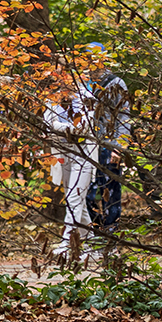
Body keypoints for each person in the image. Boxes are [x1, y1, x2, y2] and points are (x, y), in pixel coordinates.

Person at [44, 79, 97, 257]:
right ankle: (90, 244)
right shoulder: (52, 99)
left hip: (84, 153)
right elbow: (48, 126)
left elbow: (83, 128)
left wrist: (59, 128)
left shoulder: (87, 98)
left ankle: (67, 242)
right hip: (63, 153)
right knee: (75, 200)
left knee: (74, 197)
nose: (63, 80)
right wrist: (67, 129)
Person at [84, 44, 130, 233]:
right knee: (88, 191)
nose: (90, 61)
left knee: (110, 189)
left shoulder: (115, 83)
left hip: (108, 144)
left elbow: (123, 117)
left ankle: (110, 230)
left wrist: (119, 147)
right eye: (87, 57)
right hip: (86, 144)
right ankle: (95, 228)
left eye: (94, 57)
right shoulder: (81, 82)